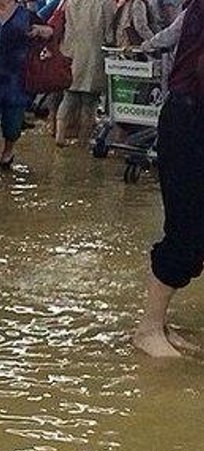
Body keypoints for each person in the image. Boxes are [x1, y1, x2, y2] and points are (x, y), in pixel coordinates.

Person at [133, 0, 203, 358]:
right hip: (190, 121)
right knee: (189, 231)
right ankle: (147, 329)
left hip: (187, 116)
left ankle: (159, 325)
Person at [0, 0, 53, 175]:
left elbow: (50, 31)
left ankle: (7, 154)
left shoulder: (26, 16)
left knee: (13, 124)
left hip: (16, 79)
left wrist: (39, 31)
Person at [55, 0, 109, 146]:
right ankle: (83, 141)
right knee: (89, 101)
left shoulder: (71, 1)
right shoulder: (105, 3)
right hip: (94, 56)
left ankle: (60, 136)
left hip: (71, 53)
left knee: (68, 96)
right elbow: (109, 32)